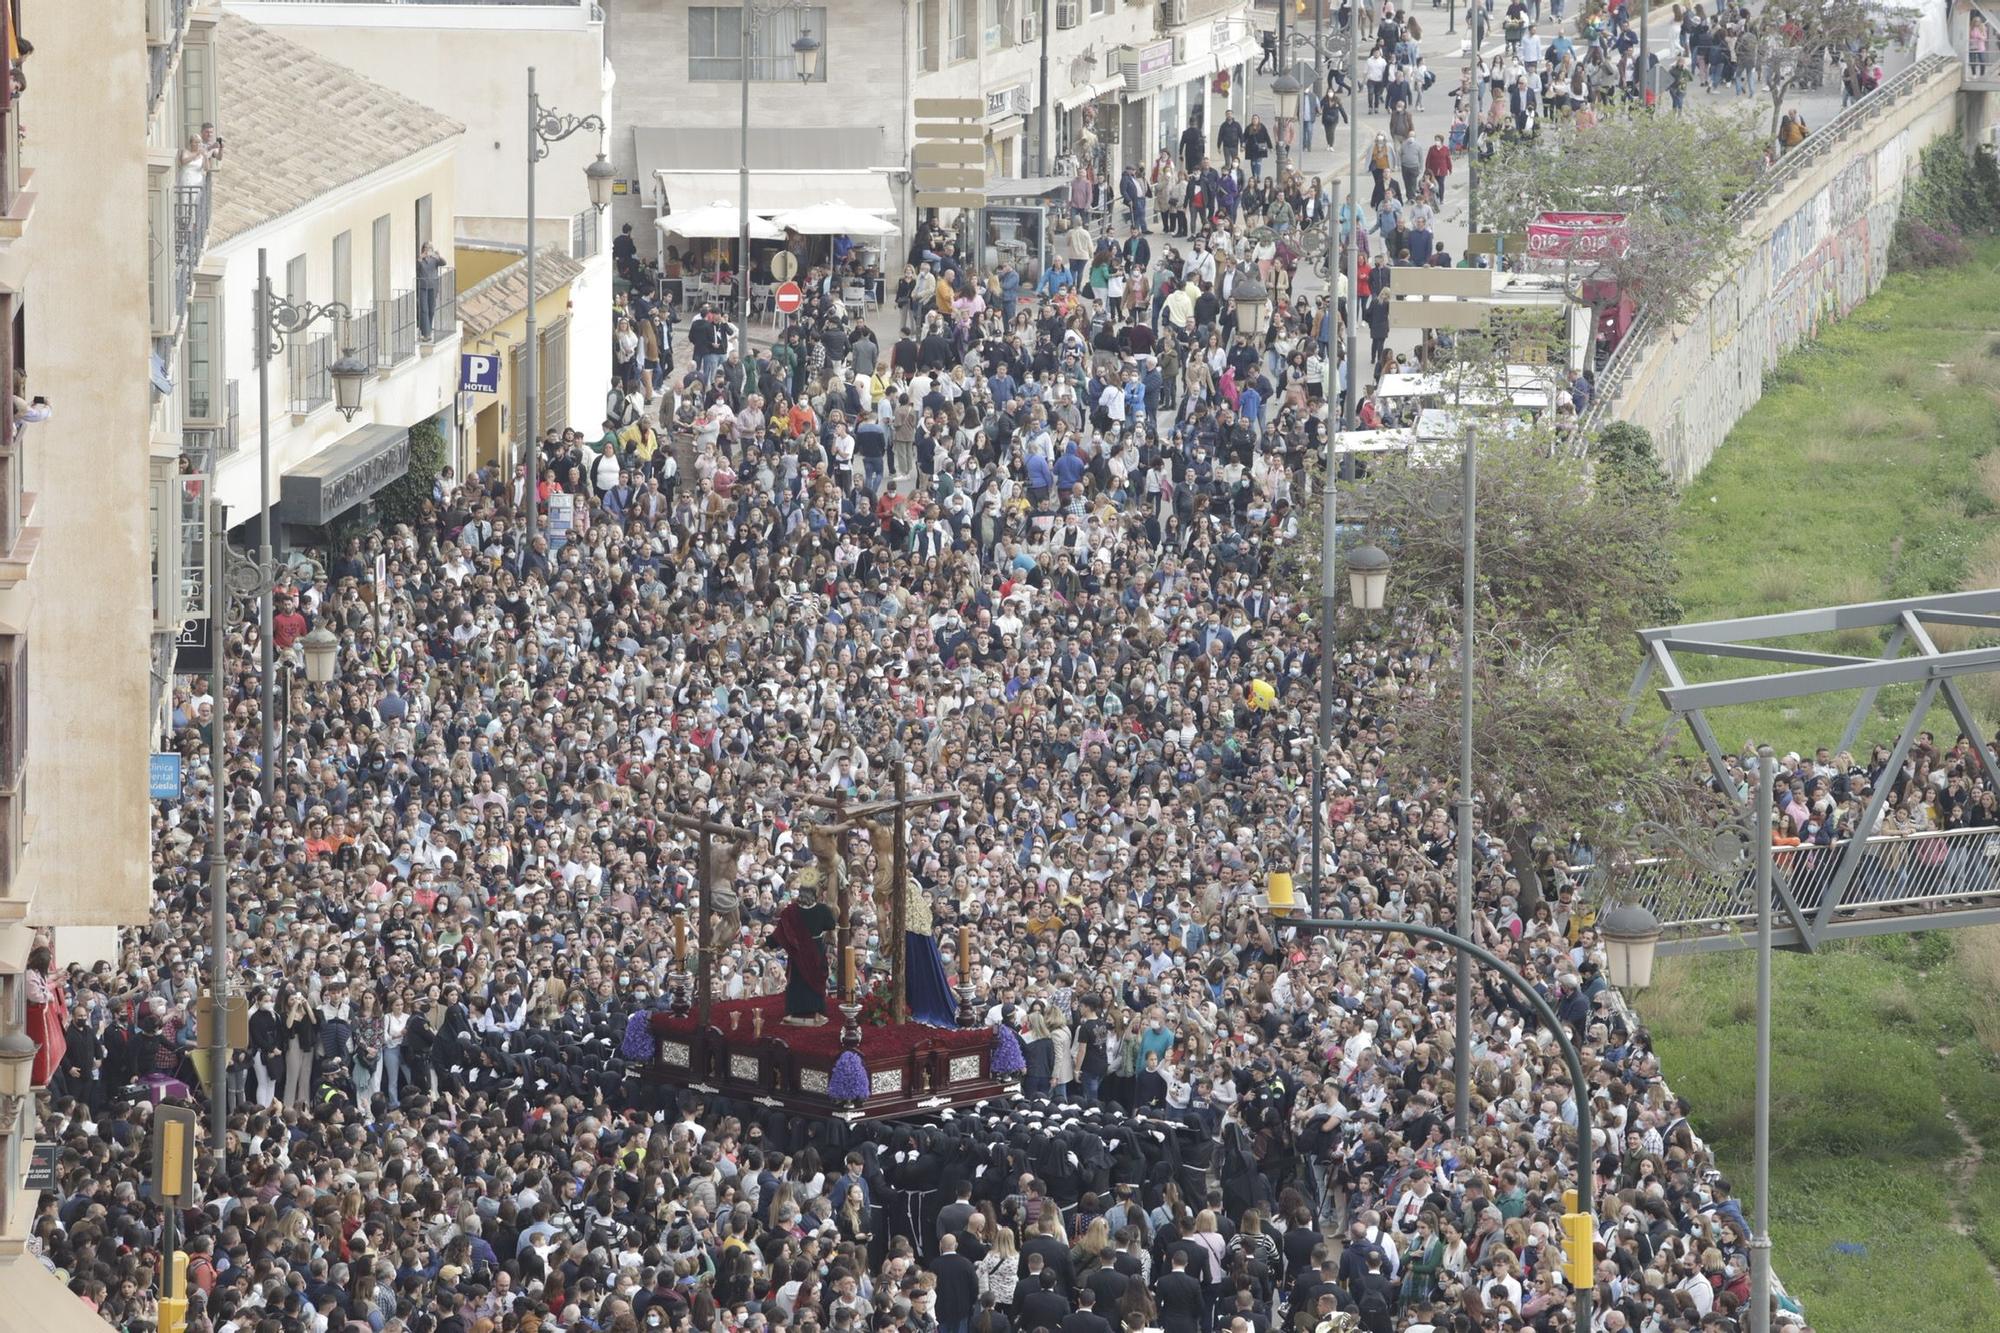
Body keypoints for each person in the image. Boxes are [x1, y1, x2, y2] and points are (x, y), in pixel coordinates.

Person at [770, 876, 837, 1024]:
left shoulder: (790, 911)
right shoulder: (821, 909)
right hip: (815, 951)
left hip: (798, 951)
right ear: (815, 894)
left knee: (797, 982)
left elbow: (780, 933)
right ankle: (818, 1012)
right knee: (816, 981)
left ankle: (792, 1013)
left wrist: (767, 943)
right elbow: (831, 924)